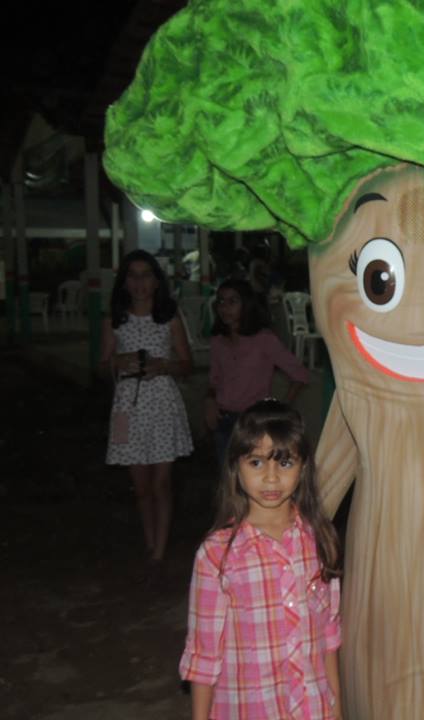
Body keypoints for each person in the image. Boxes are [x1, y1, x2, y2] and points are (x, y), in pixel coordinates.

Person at [180, 400, 343, 720]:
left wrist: (336, 708)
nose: (270, 478)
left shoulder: (318, 540)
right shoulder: (217, 554)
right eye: (256, 462)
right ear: (236, 468)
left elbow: (329, 635)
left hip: (311, 709)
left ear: (303, 468)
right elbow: (203, 654)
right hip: (248, 709)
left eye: (284, 462)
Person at [101, 250, 194, 572]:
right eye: (133, 275)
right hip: (127, 407)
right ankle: (150, 541)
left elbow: (187, 365)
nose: (139, 282)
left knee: (161, 484)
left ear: (156, 281)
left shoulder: (168, 317)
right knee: (140, 487)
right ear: (124, 282)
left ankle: (159, 551)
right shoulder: (115, 320)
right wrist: (115, 362)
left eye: (146, 275)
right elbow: (100, 367)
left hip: (162, 404)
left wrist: (163, 365)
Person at [205, 278, 310, 468]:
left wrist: (280, 410)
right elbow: (214, 379)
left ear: (246, 304)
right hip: (223, 420)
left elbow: (300, 374)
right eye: (220, 301)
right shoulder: (218, 341)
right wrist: (210, 402)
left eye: (232, 301)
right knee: (228, 480)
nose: (224, 308)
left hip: (253, 422)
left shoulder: (263, 339)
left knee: (251, 479)